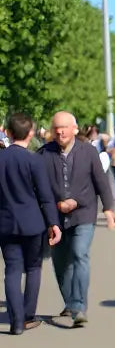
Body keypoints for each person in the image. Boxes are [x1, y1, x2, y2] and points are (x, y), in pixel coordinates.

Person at [39, 111, 115, 326]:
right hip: (55, 218)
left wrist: (109, 208)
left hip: (84, 213)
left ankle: (79, 306)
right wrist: (56, 204)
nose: (60, 131)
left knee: (79, 253)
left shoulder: (88, 152)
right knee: (61, 263)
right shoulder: (44, 154)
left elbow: (100, 181)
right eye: (56, 127)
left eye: (65, 127)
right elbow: (39, 187)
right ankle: (71, 302)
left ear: (74, 129)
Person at [0, 113, 61, 333]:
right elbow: (45, 196)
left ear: (8, 132)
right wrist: (54, 223)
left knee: (12, 270)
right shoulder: (34, 160)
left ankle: (16, 323)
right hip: (33, 223)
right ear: (31, 133)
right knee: (33, 268)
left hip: (5, 223)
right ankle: (27, 316)